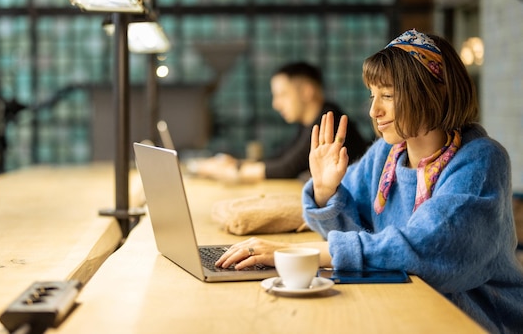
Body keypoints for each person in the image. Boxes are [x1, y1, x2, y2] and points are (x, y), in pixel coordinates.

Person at [216, 29, 523, 333]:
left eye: (387, 95)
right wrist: (325, 192)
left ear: (434, 92)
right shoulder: (385, 156)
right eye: (372, 95)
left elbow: (431, 248)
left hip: (475, 321)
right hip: (405, 307)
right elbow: (352, 234)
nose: (374, 110)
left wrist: (300, 255)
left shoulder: (481, 160)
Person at [195, 61, 370, 182]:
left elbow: (287, 168)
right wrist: (237, 163)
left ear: (307, 91)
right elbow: (282, 156)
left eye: (282, 95)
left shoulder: (329, 120)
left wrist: (231, 171)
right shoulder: (309, 122)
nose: (276, 104)